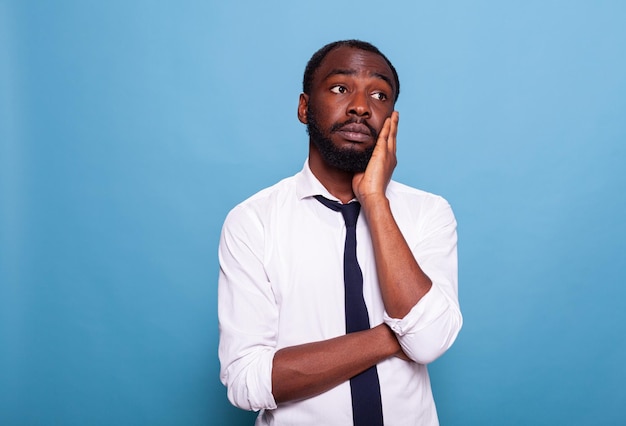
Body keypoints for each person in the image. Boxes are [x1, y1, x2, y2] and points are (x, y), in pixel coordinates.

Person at [218, 39, 462, 425]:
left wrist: (375, 200)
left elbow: (429, 341)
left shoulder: (428, 213)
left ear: (391, 119)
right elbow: (247, 382)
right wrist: (392, 337)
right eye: (340, 88)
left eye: (379, 95)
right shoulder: (253, 222)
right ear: (304, 108)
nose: (361, 107)